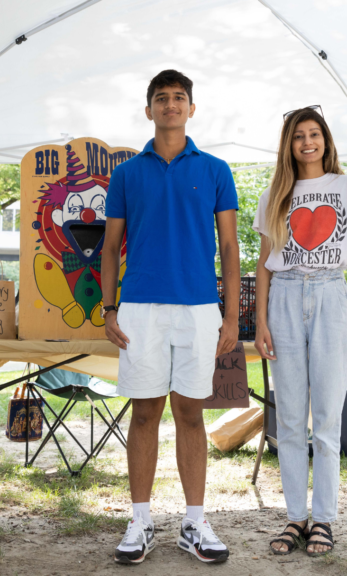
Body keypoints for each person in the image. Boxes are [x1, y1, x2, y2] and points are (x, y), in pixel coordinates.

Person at [101, 69, 240, 565]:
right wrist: (108, 305)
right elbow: (111, 246)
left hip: (201, 307)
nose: (171, 105)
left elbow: (228, 245)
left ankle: (194, 522)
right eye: (162, 98)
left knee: (190, 413)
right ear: (149, 110)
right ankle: (140, 521)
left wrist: (231, 317)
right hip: (139, 306)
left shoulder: (216, 169)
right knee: (144, 413)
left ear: (191, 108)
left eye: (179, 98)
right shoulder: (126, 173)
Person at [253, 106, 347, 557]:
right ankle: (296, 516)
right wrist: (259, 321)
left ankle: (325, 519)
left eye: (315, 134)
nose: (307, 142)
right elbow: (263, 264)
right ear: (288, 144)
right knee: (291, 418)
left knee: (328, 418)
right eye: (298, 136)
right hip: (285, 298)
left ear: (326, 140)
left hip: (332, 295)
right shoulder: (276, 192)